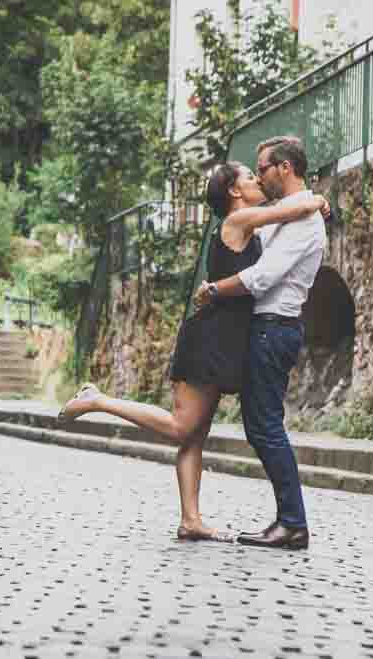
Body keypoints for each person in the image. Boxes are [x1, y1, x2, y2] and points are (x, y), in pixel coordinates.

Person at [59, 162, 329, 542]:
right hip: (211, 339)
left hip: (227, 339)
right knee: (181, 427)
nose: (257, 180)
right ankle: (98, 400)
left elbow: (279, 229)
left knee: (195, 435)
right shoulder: (239, 221)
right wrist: (317, 201)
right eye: (249, 177)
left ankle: (191, 520)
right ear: (234, 191)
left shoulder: (251, 227)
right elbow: (292, 210)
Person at [193, 136, 326, 550]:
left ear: (284, 168)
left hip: (275, 328)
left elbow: (262, 277)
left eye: (263, 168)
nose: (260, 176)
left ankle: (293, 523)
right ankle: (289, 520)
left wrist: (214, 290)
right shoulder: (289, 212)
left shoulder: (304, 220)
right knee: (259, 426)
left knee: (265, 426)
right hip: (266, 328)